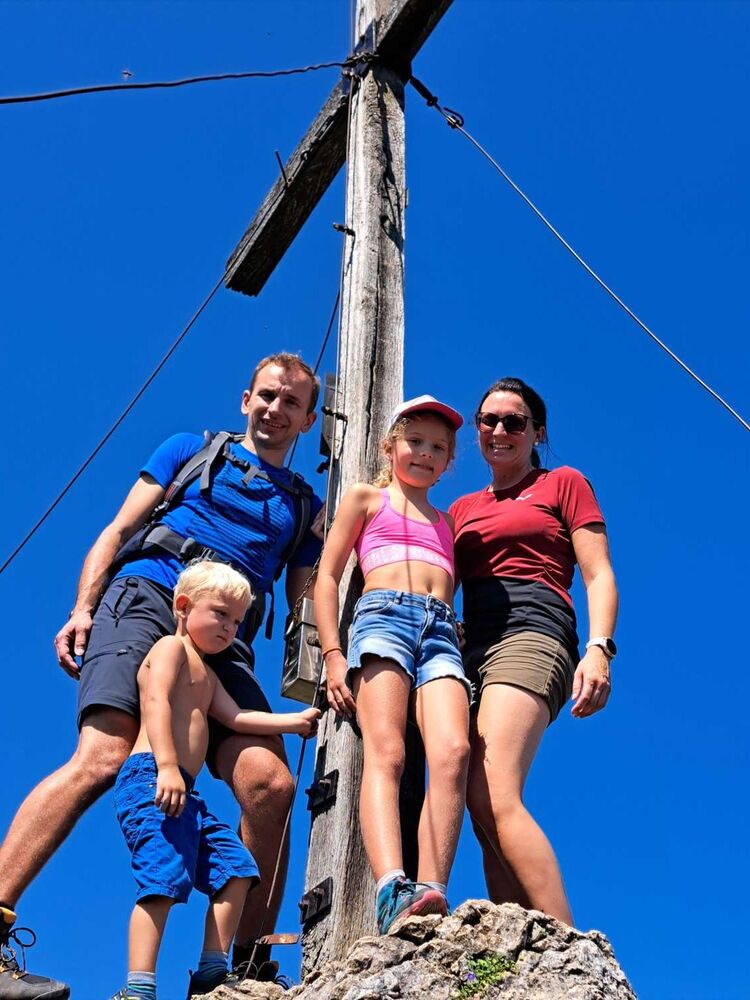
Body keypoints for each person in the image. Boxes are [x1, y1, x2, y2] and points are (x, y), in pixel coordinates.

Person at [0, 353, 323, 999]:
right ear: (246, 399)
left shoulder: (303, 506)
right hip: (150, 595)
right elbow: (119, 528)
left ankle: (243, 970)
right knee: (103, 756)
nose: (275, 409)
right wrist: (84, 607)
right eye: (266, 395)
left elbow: (309, 600)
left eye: (291, 402)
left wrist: (336, 653)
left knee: (271, 784)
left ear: (309, 419)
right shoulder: (190, 450)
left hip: (226, 636)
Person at [448, 377, 618, 925]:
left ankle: (568, 948)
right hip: (473, 647)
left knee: (492, 790)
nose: (499, 430)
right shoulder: (461, 509)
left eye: (514, 421)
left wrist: (599, 648)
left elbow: (598, 573)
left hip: (535, 630)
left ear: (537, 433)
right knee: (477, 806)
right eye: (489, 420)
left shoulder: (563, 483)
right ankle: (514, 947)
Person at [110, 561, 319, 1000]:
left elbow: (236, 717)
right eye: (221, 614)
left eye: (238, 621)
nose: (229, 627)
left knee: (237, 869)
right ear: (184, 607)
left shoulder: (208, 673)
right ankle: (138, 987)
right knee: (161, 880)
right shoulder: (170, 648)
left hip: (185, 791)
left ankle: (211, 970)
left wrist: (293, 722)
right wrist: (168, 765)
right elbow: (155, 701)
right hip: (153, 778)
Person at [315, 395, 472, 935]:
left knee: (453, 752)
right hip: (383, 618)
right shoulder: (367, 497)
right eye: (415, 441)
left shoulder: (447, 522)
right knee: (389, 752)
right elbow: (328, 576)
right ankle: (390, 888)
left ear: (448, 461)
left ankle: (433, 890)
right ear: (389, 447)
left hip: (441, 630)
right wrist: (332, 654)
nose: (425, 453)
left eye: (438, 448)